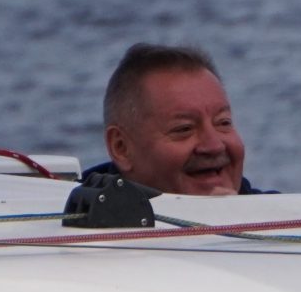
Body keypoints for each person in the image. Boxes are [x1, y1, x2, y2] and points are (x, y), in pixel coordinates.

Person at [85, 42, 264, 195]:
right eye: (184, 129)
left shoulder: (281, 223)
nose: (214, 145)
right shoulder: (70, 225)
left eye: (223, 123)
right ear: (121, 148)